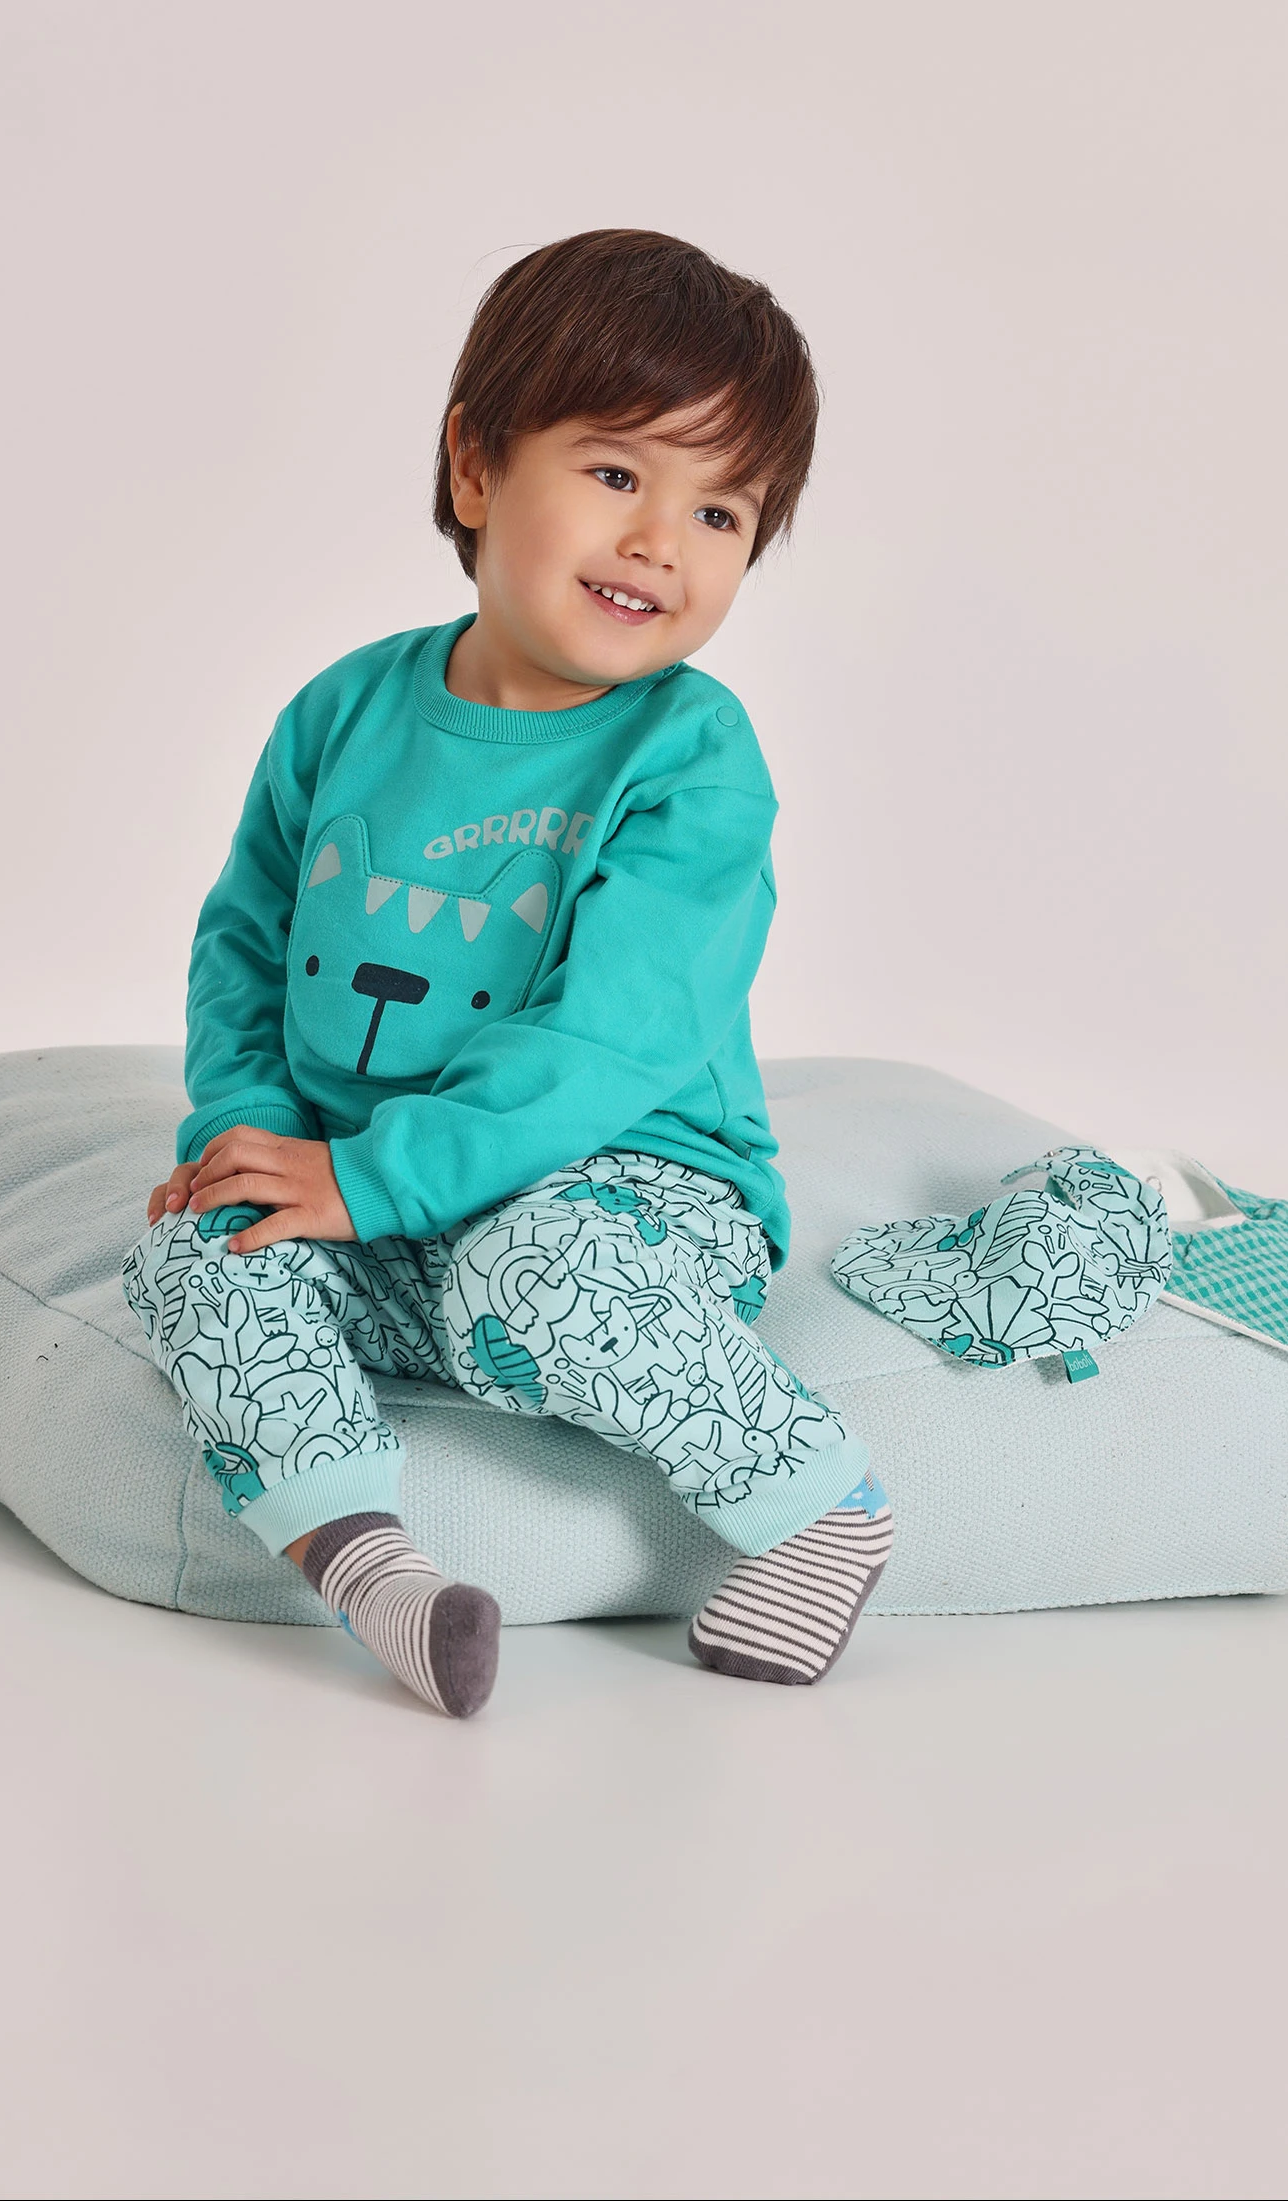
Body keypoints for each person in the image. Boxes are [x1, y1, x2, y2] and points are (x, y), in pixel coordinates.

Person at [122, 228, 893, 1717]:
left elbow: (612, 1037)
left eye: (719, 510)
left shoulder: (692, 760)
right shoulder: (344, 710)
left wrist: (379, 1179)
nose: (661, 542)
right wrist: (249, 1137)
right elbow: (246, 941)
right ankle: (374, 1570)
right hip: (377, 1198)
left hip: (628, 1194)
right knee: (187, 1257)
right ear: (476, 468)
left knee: (532, 1270)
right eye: (615, 474)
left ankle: (818, 1504)